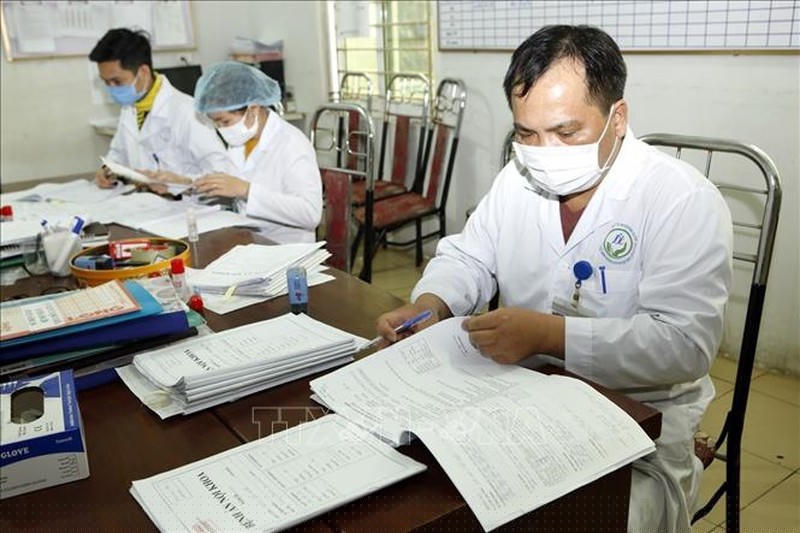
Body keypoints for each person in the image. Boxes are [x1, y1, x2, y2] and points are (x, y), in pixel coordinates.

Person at [376, 25, 732, 533]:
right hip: (518, 398)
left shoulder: (681, 200)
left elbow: (684, 346)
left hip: (637, 423)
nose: (544, 152)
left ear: (617, 118)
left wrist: (550, 336)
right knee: (425, 495)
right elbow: (470, 257)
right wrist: (430, 304)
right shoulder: (518, 180)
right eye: (526, 134)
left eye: (566, 133)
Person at [192, 62, 323, 243]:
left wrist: (246, 190)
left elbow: (310, 213)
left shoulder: (292, 144)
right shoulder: (241, 140)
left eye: (225, 122)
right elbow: (232, 183)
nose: (222, 129)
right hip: (251, 239)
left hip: (286, 246)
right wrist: (188, 183)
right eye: (216, 124)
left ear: (253, 108)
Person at [89, 29, 234, 188]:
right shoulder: (130, 109)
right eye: (106, 82)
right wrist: (108, 169)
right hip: (144, 199)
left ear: (143, 72)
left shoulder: (187, 112)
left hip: (187, 200)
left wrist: (184, 181)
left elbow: (222, 172)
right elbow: (118, 154)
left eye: (117, 82)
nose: (111, 88)